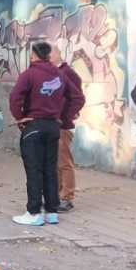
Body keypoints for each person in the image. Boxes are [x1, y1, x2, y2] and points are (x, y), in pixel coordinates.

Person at [8, 42, 85, 226]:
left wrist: (20, 117)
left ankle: (33, 212)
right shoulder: (60, 75)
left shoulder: (29, 75)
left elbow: (14, 98)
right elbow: (77, 98)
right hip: (53, 127)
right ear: (49, 56)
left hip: (34, 126)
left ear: (33, 56)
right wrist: (63, 118)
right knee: (51, 169)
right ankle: (51, 212)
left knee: (34, 169)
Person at [51, 44, 83, 212]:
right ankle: (56, 195)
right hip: (53, 124)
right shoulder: (54, 73)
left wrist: (66, 117)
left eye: (49, 55)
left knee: (64, 162)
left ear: (56, 54)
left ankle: (67, 196)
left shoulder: (67, 73)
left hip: (62, 125)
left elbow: (78, 98)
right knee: (55, 162)